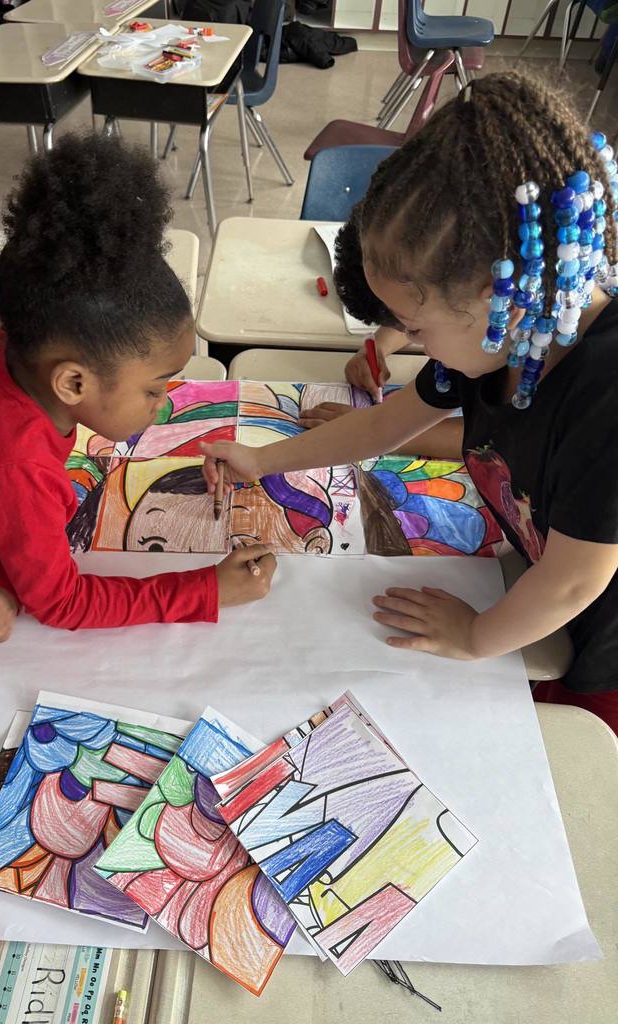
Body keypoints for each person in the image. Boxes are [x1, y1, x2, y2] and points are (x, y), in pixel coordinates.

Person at [202, 71, 618, 730]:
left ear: (494, 296)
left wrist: (475, 637)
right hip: (534, 586)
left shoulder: (605, 395)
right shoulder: (504, 336)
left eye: (414, 329)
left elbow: (575, 580)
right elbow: (385, 426)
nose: (408, 345)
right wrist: (263, 460)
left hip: (597, 641)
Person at [0, 132, 275, 653]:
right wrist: (205, 589)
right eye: (153, 388)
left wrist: (9, 585)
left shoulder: (5, 352)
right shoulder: (16, 465)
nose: (164, 405)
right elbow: (62, 602)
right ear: (72, 381)